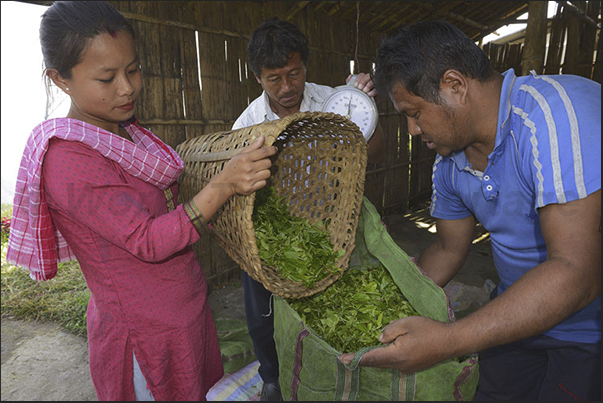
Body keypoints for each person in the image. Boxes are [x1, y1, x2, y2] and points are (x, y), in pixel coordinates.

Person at [6, 1, 277, 401]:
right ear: (60, 79)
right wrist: (222, 186)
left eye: (133, 70)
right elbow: (148, 240)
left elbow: (170, 201)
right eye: (107, 77)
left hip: (184, 315)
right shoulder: (69, 158)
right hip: (145, 336)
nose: (127, 87)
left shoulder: (127, 135)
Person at [338, 20, 601, 401]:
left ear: (455, 86)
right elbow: (447, 249)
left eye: (414, 112)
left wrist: (447, 340)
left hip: (588, 331)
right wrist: (382, 309)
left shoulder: (554, 115)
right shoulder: (450, 164)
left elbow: (576, 273)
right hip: (519, 317)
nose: (412, 130)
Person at [232, 17, 384, 401]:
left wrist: (368, 108)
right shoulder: (248, 125)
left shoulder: (335, 102)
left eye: (294, 73)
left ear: (305, 66)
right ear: (257, 77)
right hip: (273, 233)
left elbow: (377, 151)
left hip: (329, 223)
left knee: (333, 301)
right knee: (261, 306)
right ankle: (271, 375)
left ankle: (333, 366)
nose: (286, 88)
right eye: (273, 79)